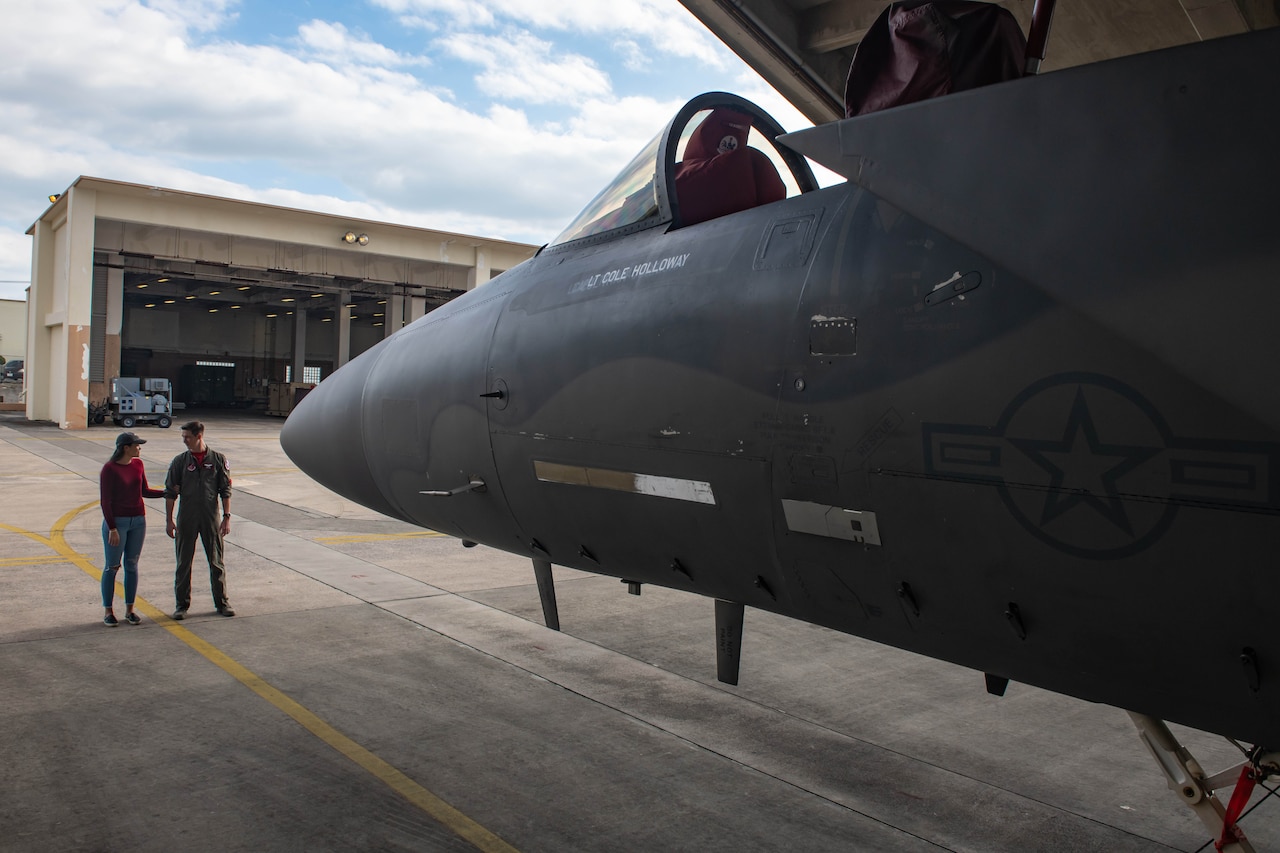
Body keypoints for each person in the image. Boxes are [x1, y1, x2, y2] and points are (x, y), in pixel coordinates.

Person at [165, 420, 235, 619]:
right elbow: (170, 492)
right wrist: (169, 520)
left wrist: (227, 517)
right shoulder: (179, 462)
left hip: (210, 516)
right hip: (186, 516)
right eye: (183, 437)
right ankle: (181, 605)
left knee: (216, 561)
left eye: (187, 437)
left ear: (199, 436)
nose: (184, 441)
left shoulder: (218, 459)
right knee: (183, 562)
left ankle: (222, 603)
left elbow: (225, 490)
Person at [99, 432, 165, 626]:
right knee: (112, 567)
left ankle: (130, 609)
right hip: (117, 523)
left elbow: (144, 491)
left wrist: (167, 493)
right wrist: (112, 527)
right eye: (137, 445)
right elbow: (105, 501)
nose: (140, 448)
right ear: (126, 448)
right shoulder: (109, 469)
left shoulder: (138, 465)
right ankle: (108, 611)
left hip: (138, 521)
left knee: (132, 565)